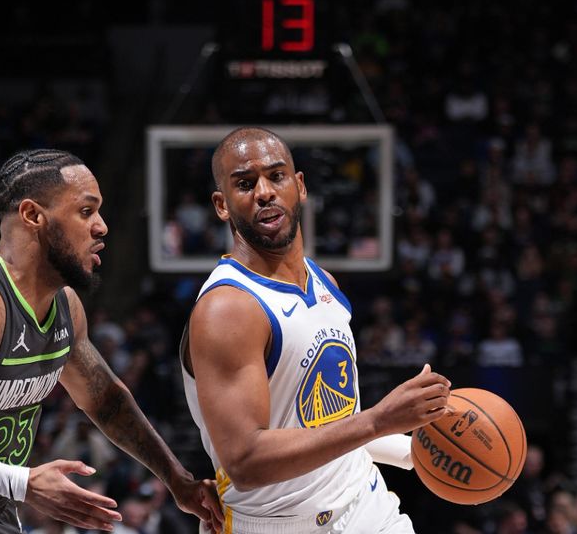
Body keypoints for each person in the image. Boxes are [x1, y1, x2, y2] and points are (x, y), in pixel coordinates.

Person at [0, 149, 224, 533]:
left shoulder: (65, 305)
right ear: (33, 216)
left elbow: (105, 400)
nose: (101, 227)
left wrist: (177, 479)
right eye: (86, 211)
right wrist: (20, 482)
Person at [180, 127, 453, 533]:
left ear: (300, 186)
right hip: (277, 525)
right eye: (244, 183)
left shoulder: (324, 283)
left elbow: (328, 424)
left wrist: (421, 452)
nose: (264, 192)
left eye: (276, 176)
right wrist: (379, 420)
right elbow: (246, 461)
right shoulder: (227, 309)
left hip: (368, 507)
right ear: (222, 205)